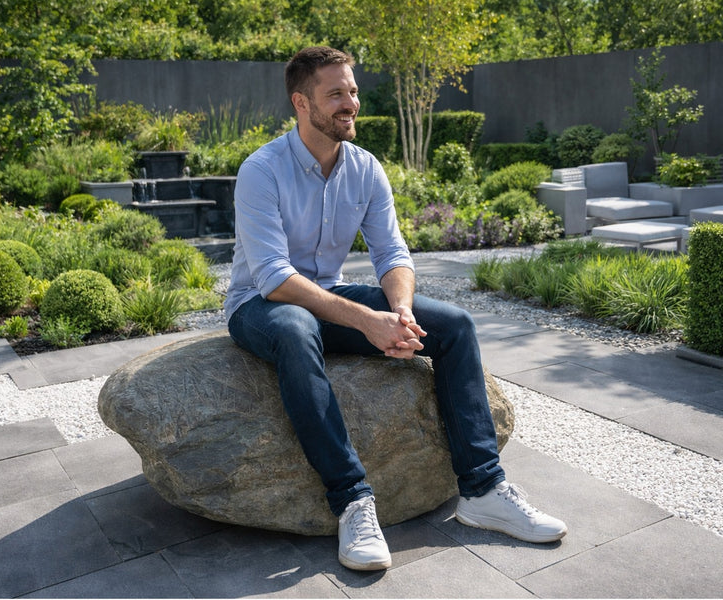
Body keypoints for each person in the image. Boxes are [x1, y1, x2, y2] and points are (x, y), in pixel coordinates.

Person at [224, 46, 567, 571]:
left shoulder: (365, 168)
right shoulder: (261, 170)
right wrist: (367, 320)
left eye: (353, 90)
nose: (350, 103)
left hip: (328, 295)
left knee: (453, 325)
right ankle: (352, 502)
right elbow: (274, 277)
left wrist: (400, 314)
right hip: (261, 305)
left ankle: (482, 491)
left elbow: (392, 254)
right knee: (295, 329)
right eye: (335, 93)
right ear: (301, 102)